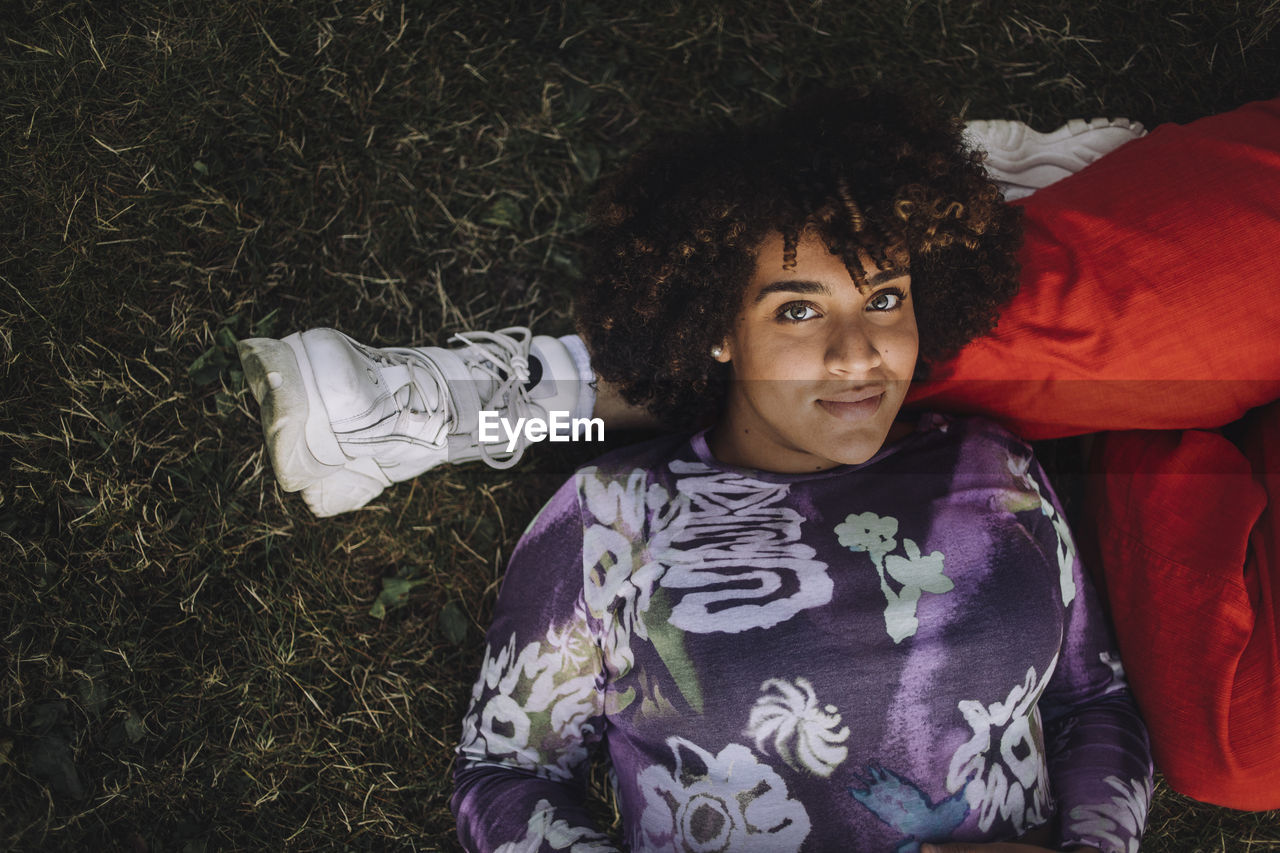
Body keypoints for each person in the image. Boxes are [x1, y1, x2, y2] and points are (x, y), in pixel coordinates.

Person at [444, 88, 1150, 851]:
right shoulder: (611, 517)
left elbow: (1095, 702)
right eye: (798, 310)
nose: (858, 355)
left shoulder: (992, 468)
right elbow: (507, 769)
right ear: (717, 327)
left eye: (884, 298)